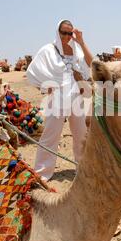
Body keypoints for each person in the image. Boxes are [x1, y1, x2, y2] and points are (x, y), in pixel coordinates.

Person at [26, 19, 94, 181]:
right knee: (50, 136)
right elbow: (32, 72)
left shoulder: (76, 48)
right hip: (57, 99)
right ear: (58, 32)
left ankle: (82, 168)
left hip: (76, 97)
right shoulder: (48, 50)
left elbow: (91, 63)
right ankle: (42, 173)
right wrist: (44, 87)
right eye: (64, 32)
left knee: (81, 135)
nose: (67, 36)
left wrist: (81, 41)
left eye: (70, 33)